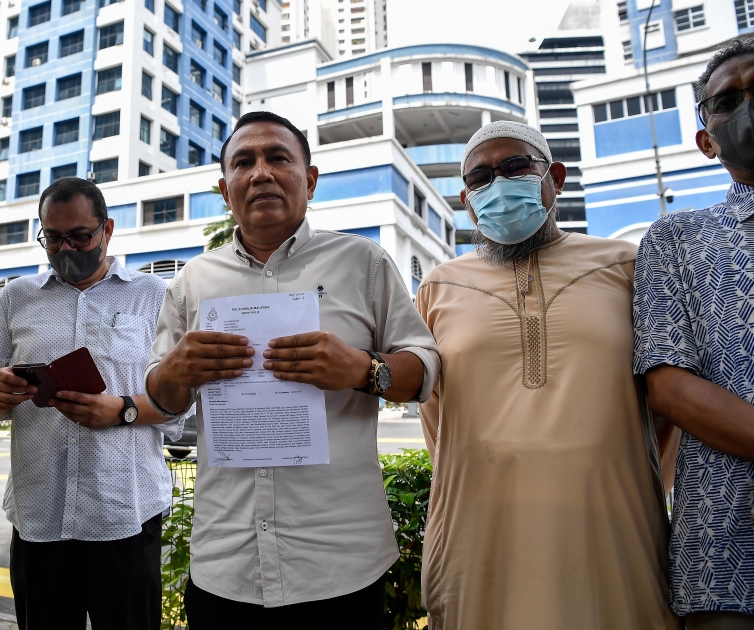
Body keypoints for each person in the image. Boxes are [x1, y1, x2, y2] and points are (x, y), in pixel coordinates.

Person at [144, 111, 440, 629]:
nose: (261, 172)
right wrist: (177, 369)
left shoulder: (362, 263)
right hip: (225, 566)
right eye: (244, 162)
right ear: (225, 187)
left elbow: (425, 369)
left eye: (278, 157)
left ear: (309, 178)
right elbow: (162, 400)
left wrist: (362, 369)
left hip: (339, 565)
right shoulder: (193, 280)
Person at [416, 121, 680, 629]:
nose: (498, 185)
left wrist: (626, 477)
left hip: (613, 527)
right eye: (480, 179)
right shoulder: (439, 286)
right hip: (481, 530)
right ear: (468, 202)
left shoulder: (626, 265)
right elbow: (437, 417)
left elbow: (667, 403)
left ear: (554, 177)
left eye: (515, 167)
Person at [0, 177, 186, 630]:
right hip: (39, 514)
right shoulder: (15, 299)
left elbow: (181, 403)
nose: (66, 248)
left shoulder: (154, 297)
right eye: (52, 237)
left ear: (107, 230)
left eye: (80, 236)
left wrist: (122, 410)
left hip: (124, 512)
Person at [634, 38, 754, 629]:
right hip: (725, 547)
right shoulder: (676, 240)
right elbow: (670, 389)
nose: (748, 108)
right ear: (707, 139)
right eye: (729, 100)